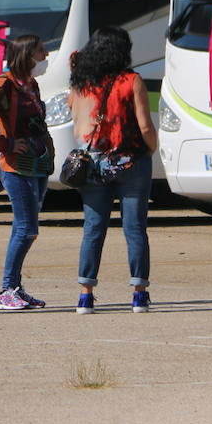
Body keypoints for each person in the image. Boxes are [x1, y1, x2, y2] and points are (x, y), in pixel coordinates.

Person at [68, 26, 158, 314]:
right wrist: (152, 148)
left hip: (94, 164)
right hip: (131, 161)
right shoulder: (132, 80)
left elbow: (77, 125)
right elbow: (144, 124)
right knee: (134, 229)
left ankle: (85, 294)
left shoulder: (81, 84)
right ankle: (139, 294)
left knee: (93, 228)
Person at [0, 34, 54, 310]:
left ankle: (15, 288)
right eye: (41, 50)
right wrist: (4, 144)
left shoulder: (32, 85)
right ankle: (6, 290)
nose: (45, 55)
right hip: (15, 168)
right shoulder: (3, 84)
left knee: (27, 229)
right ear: (27, 55)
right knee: (26, 228)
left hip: (37, 166)